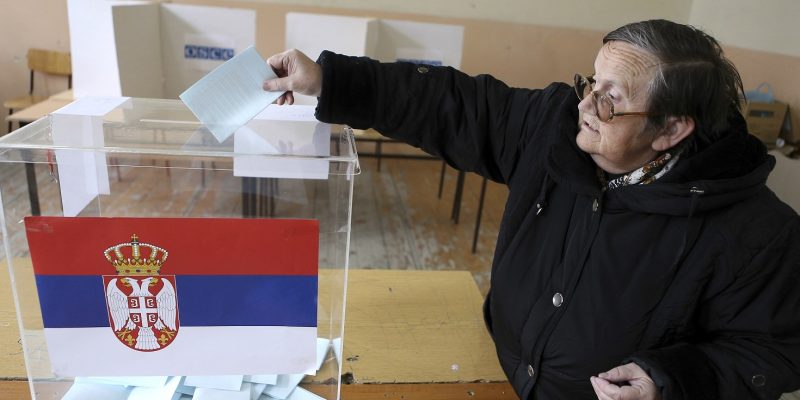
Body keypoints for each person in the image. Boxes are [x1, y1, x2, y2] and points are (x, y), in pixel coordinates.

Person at [263, 19, 800, 400]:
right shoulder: (555, 125)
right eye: (590, 82)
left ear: (671, 129)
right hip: (493, 364)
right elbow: (449, 103)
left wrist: (671, 379)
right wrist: (331, 81)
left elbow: (771, 353)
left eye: (610, 99)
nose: (585, 106)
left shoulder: (758, 233)